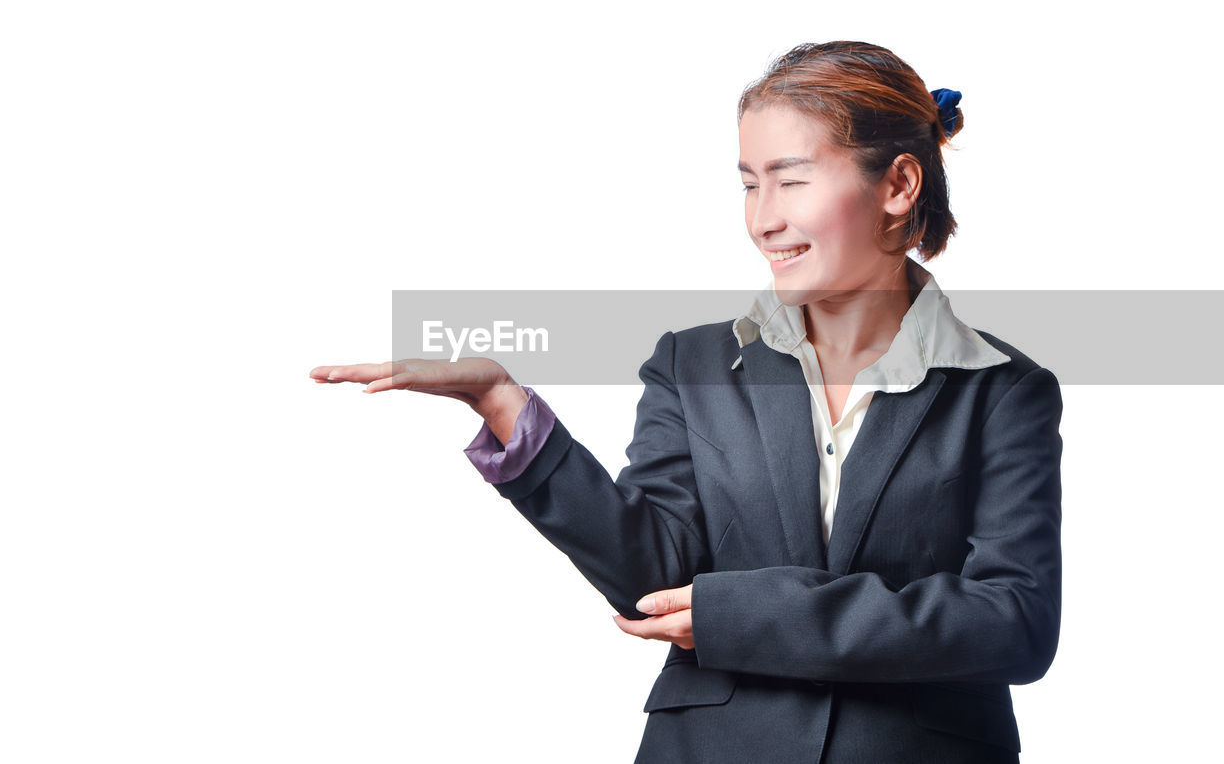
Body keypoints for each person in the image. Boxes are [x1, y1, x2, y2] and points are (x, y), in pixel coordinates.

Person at [310, 40, 1064, 764]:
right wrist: (505, 407)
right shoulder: (693, 363)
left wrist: (750, 614)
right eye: (748, 182)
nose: (762, 217)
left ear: (899, 186)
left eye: (791, 178)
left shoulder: (1004, 389)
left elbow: (1015, 625)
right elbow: (653, 578)